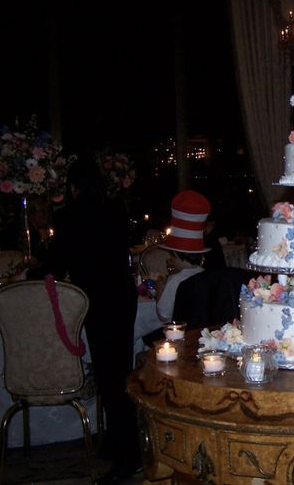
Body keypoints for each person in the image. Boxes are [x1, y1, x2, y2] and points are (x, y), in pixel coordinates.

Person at [42, 154, 141, 483]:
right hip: (122, 298)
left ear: (73, 187)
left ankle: (126, 455)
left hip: (97, 302)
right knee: (119, 374)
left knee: (110, 377)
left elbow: (54, 266)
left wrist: (34, 270)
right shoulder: (115, 211)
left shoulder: (68, 216)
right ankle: (118, 443)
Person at [154, 190, 212, 323]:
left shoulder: (175, 280)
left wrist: (159, 290)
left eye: (171, 256)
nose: (170, 260)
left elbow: (164, 316)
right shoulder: (206, 275)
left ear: (178, 255)